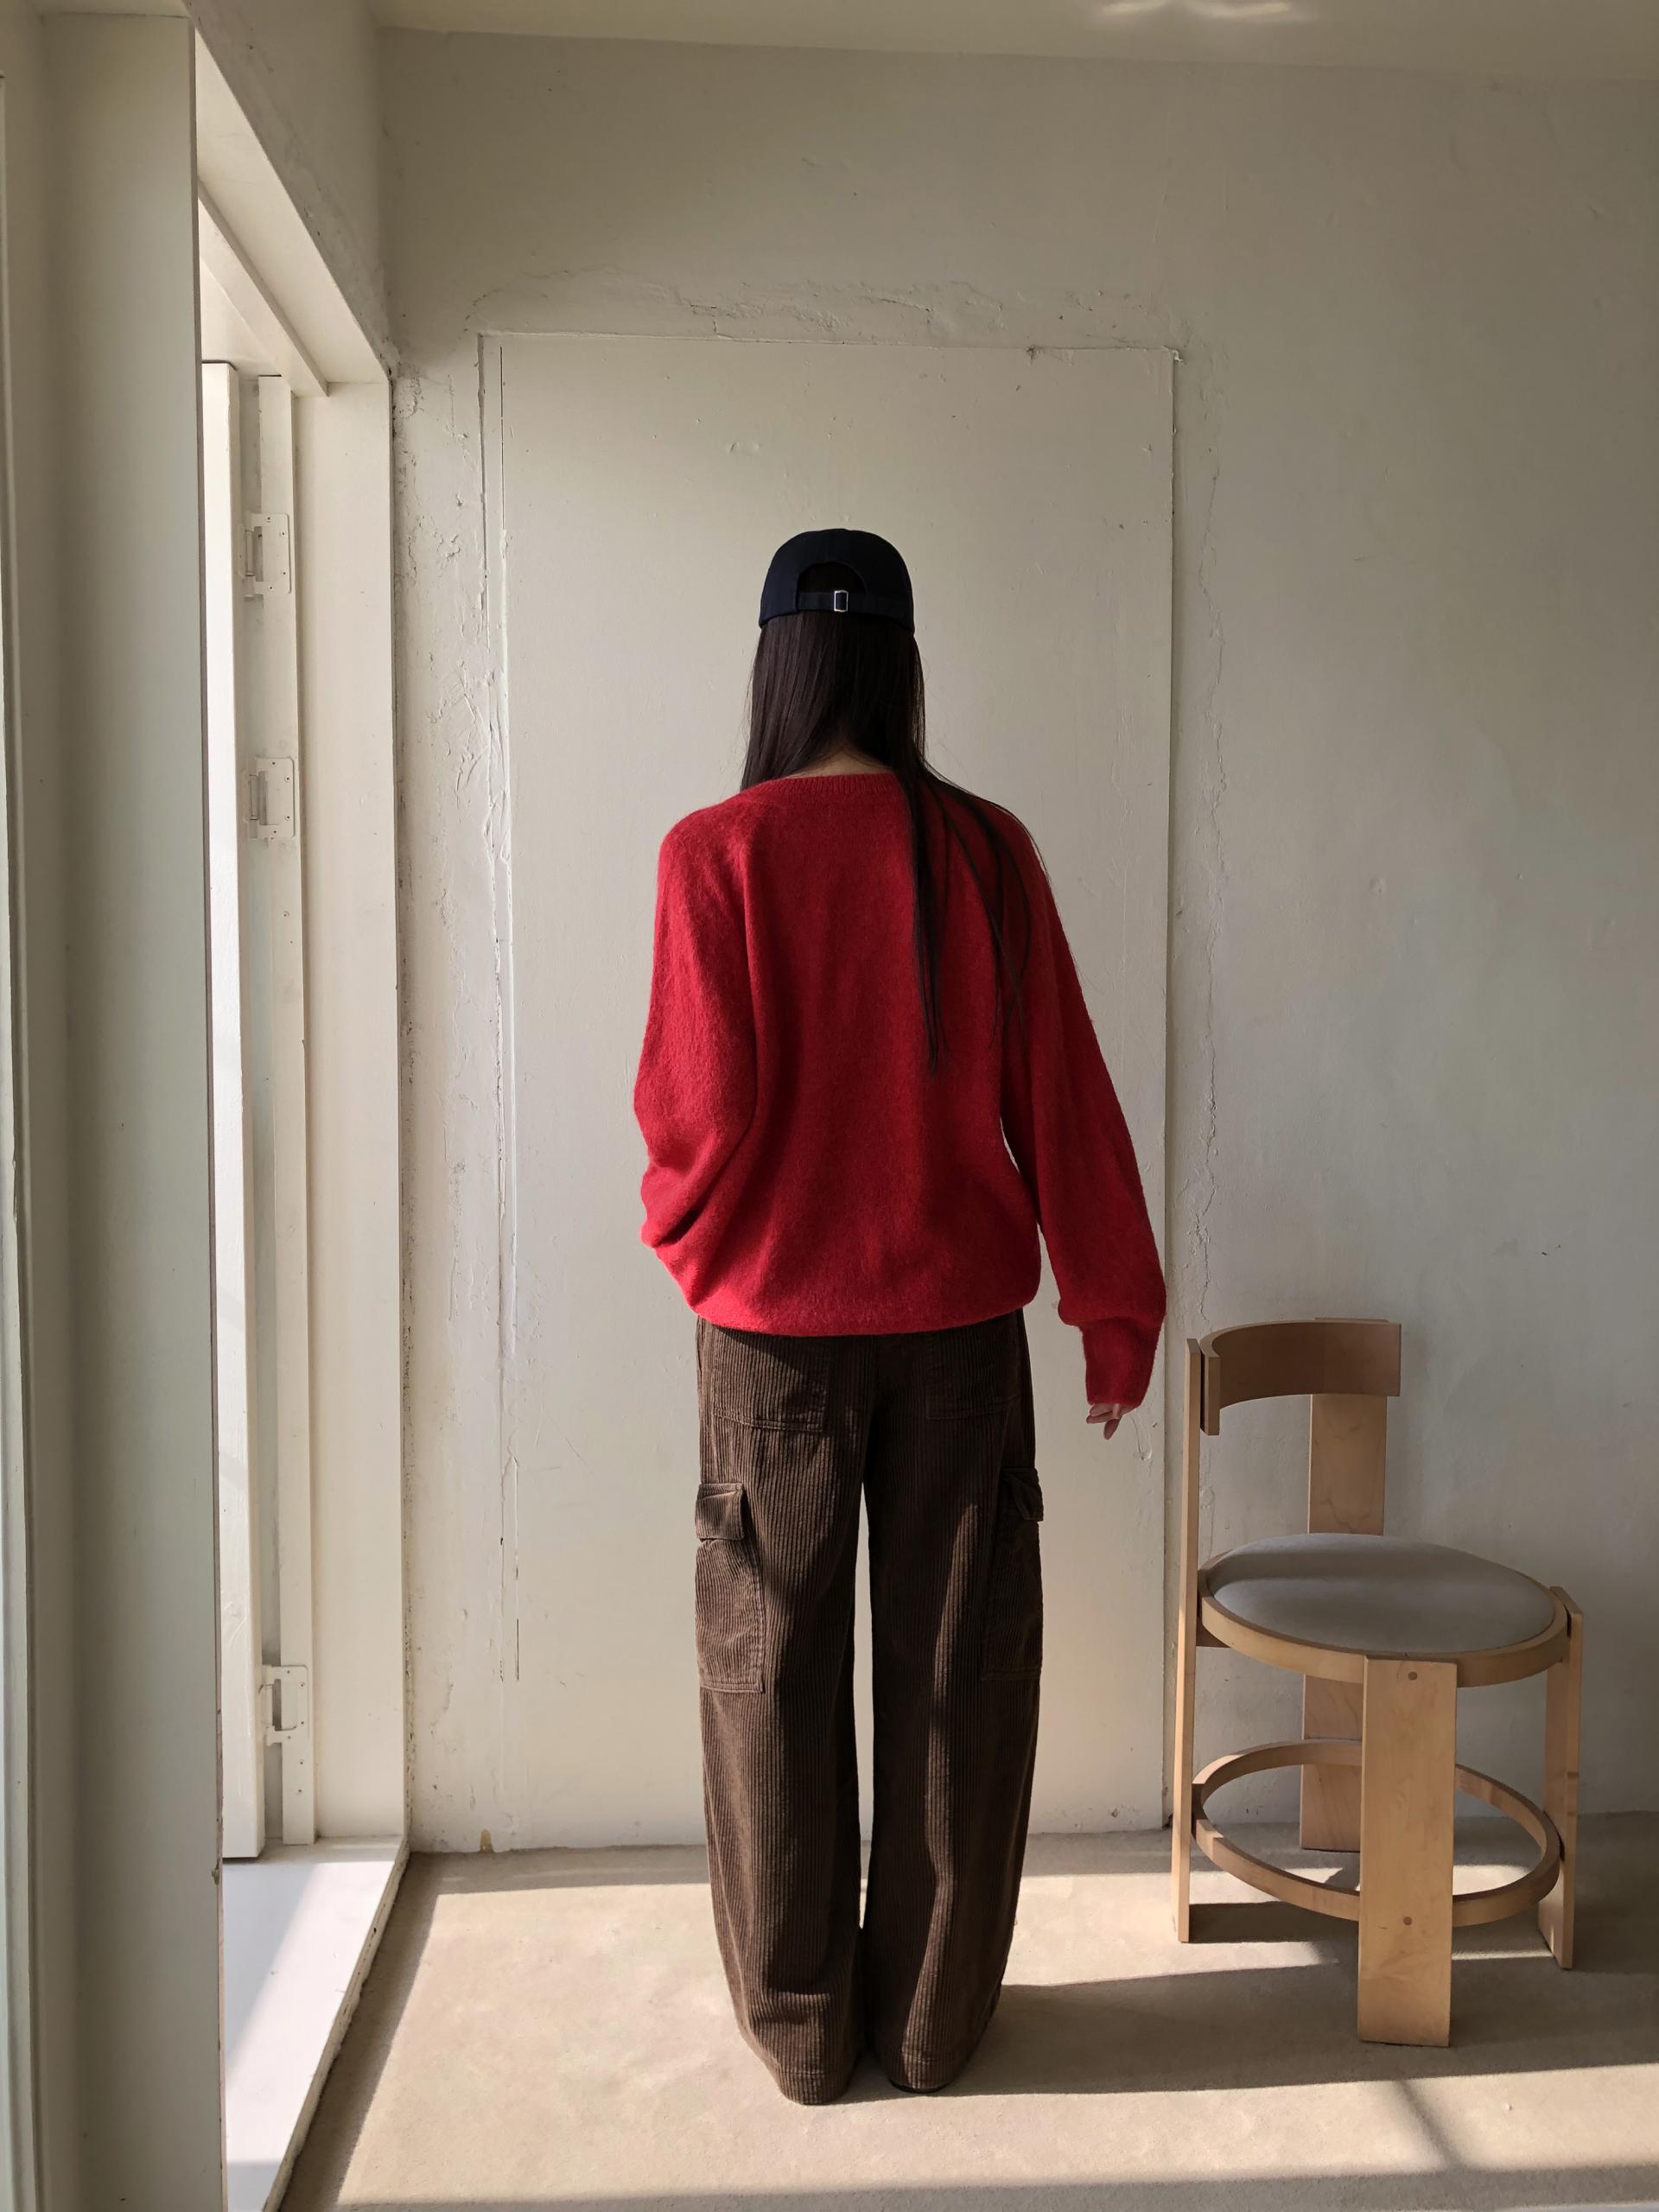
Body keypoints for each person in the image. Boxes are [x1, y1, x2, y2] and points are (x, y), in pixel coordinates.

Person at [632, 526, 1165, 2103]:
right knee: (960, 1674)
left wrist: (697, 1242)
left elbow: (689, 1119)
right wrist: (1111, 1307)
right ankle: (933, 2027)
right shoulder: (986, 853)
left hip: (769, 1348)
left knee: (768, 1676)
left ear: (778, 664)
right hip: (959, 1340)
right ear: (902, 663)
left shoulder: (714, 854)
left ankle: (802, 2033)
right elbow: (1063, 1091)